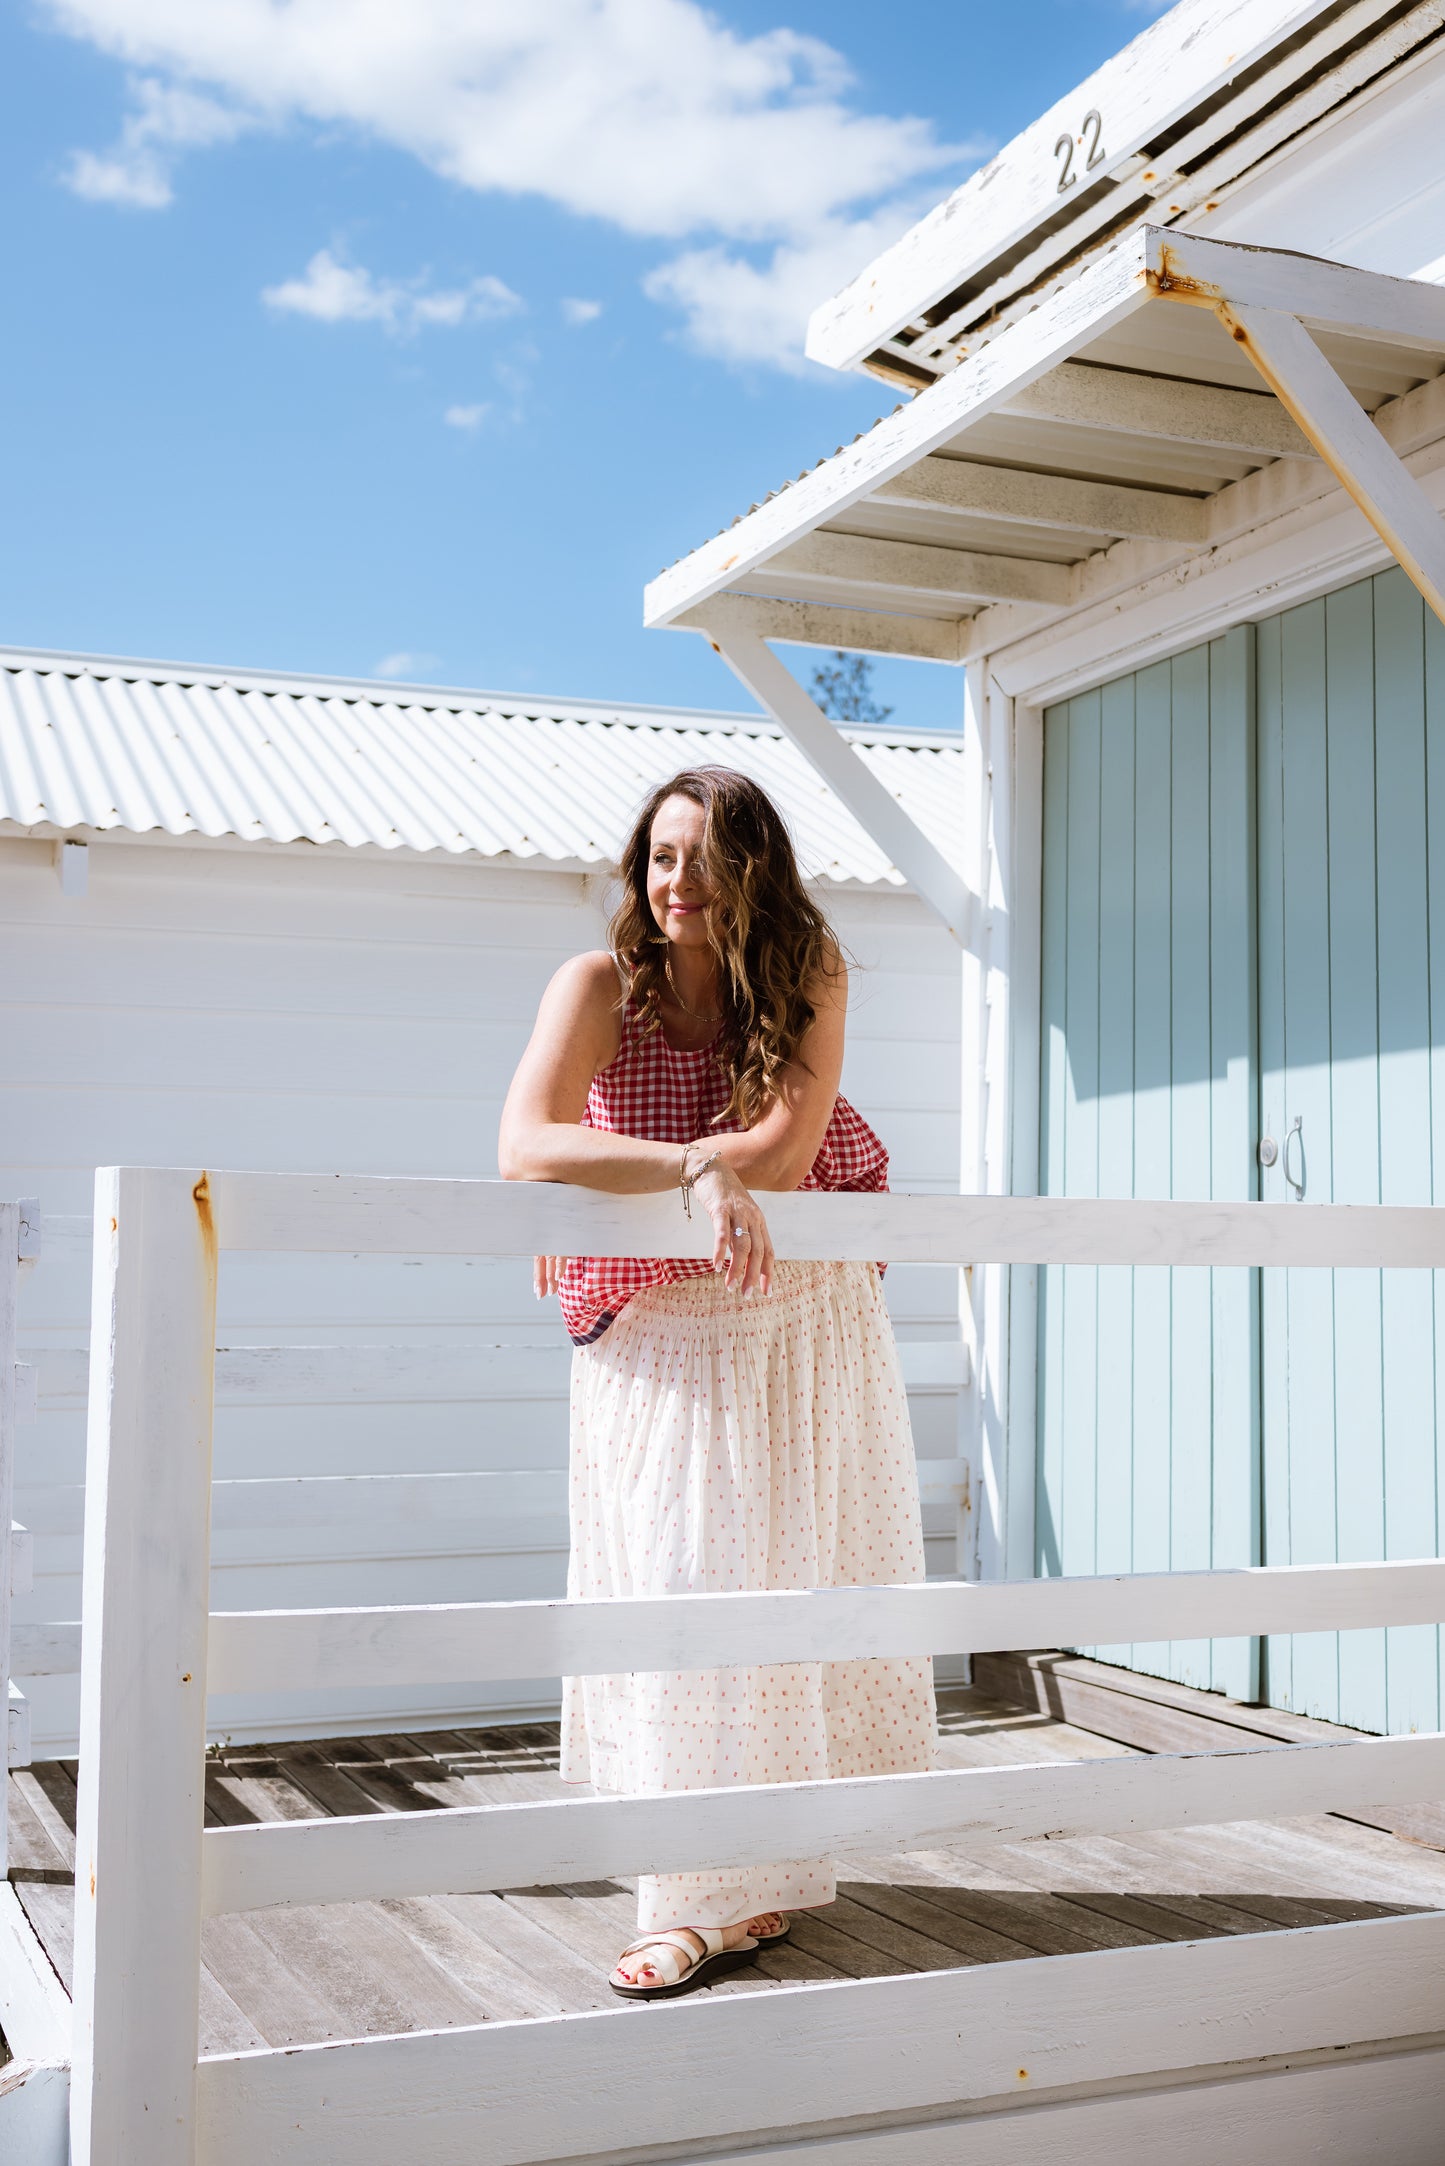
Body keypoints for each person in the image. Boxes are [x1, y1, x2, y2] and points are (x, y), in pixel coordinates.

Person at [498, 765, 935, 1998]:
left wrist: (685, 1167)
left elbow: (787, 1154)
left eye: (700, 856)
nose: (675, 881)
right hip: (657, 1322)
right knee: (680, 1586)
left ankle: (758, 1877)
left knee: (783, 1583)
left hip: (794, 1306)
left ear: (752, 868)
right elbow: (525, 1143)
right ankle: (683, 1890)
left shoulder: (810, 970)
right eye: (658, 857)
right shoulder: (597, 986)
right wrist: (695, 1167)